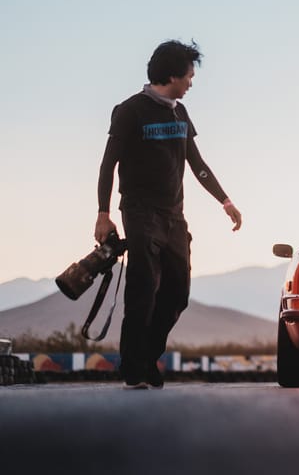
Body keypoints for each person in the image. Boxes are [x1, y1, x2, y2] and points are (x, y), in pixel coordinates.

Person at [94, 40, 242, 389]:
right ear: (173, 74)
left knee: (178, 293)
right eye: (190, 75)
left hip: (175, 217)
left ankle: (146, 357)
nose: (192, 82)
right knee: (143, 289)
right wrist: (103, 214)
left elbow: (197, 164)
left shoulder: (180, 113)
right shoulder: (130, 110)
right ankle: (134, 369)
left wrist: (225, 201)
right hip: (140, 211)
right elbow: (107, 165)